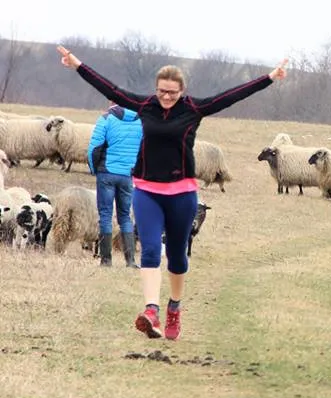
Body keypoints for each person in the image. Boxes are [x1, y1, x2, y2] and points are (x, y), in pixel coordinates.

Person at [57, 45, 288, 340]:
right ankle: (151, 311)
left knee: (177, 256)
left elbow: (232, 95)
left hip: (182, 194)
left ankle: (174, 308)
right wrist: (77, 65)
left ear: (182, 91)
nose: (166, 97)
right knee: (151, 250)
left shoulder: (194, 109)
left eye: (172, 93)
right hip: (147, 191)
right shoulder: (145, 106)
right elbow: (110, 88)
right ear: (156, 89)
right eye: (162, 91)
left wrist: (270, 77)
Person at [88, 102, 143, 268]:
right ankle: (130, 261)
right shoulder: (140, 122)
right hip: (127, 176)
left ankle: (106, 260)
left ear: (112, 103)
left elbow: (94, 148)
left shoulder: (106, 119)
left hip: (106, 173)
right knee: (125, 216)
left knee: (105, 215)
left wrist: (94, 169)